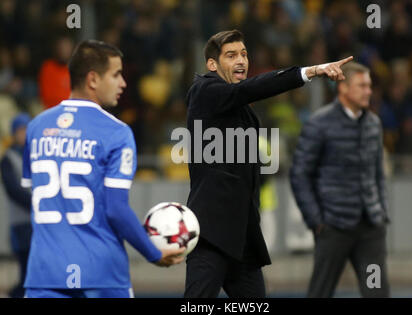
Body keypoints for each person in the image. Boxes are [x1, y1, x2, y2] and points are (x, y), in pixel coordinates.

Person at [184, 29, 353, 298]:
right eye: (231, 56)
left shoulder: (241, 108)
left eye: (244, 54)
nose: (241, 60)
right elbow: (253, 87)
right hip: (212, 234)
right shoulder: (204, 90)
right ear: (212, 65)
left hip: (243, 237)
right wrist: (310, 71)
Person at [21, 40, 184, 298]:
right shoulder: (116, 133)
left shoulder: (36, 128)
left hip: (45, 274)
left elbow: (32, 194)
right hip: (100, 273)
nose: (123, 83)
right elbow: (116, 209)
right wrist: (153, 253)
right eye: (116, 75)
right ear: (93, 79)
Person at [289, 62, 390, 298]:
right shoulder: (319, 123)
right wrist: (316, 220)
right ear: (343, 88)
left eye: (369, 86)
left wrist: (381, 211)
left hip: (370, 227)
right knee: (320, 292)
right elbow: (300, 173)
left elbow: (377, 174)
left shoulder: (374, 124)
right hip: (333, 226)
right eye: (362, 86)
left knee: (378, 293)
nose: (368, 91)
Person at [1, 113, 32, 298]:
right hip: (22, 223)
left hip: (41, 222)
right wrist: (37, 203)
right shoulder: (8, 159)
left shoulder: (35, 154)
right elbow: (13, 190)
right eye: (21, 130)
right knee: (26, 271)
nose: (25, 134)